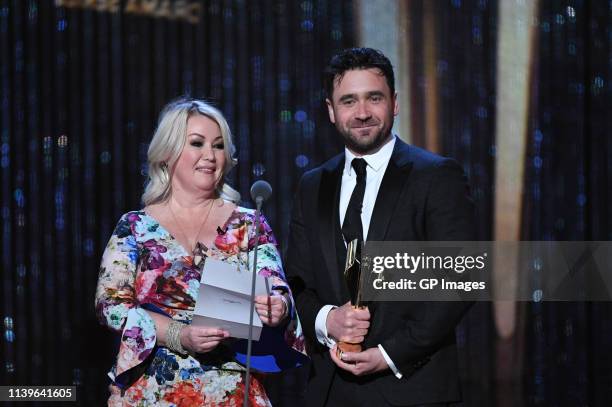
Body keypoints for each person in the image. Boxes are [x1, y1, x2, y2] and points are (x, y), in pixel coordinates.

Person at [285, 48, 475, 406]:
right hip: (329, 391)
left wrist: (388, 354)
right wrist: (328, 320)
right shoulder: (312, 185)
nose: (361, 113)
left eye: (374, 98)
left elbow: (460, 281)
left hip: (412, 387)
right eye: (348, 101)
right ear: (330, 110)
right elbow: (295, 281)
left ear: (395, 103)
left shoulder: (435, 175)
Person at [95, 98, 305, 406]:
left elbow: (275, 285)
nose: (210, 155)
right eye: (197, 143)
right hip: (152, 391)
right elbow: (110, 304)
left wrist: (278, 307)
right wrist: (179, 334)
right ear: (167, 154)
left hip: (232, 390)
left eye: (218, 146)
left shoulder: (248, 222)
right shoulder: (135, 226)